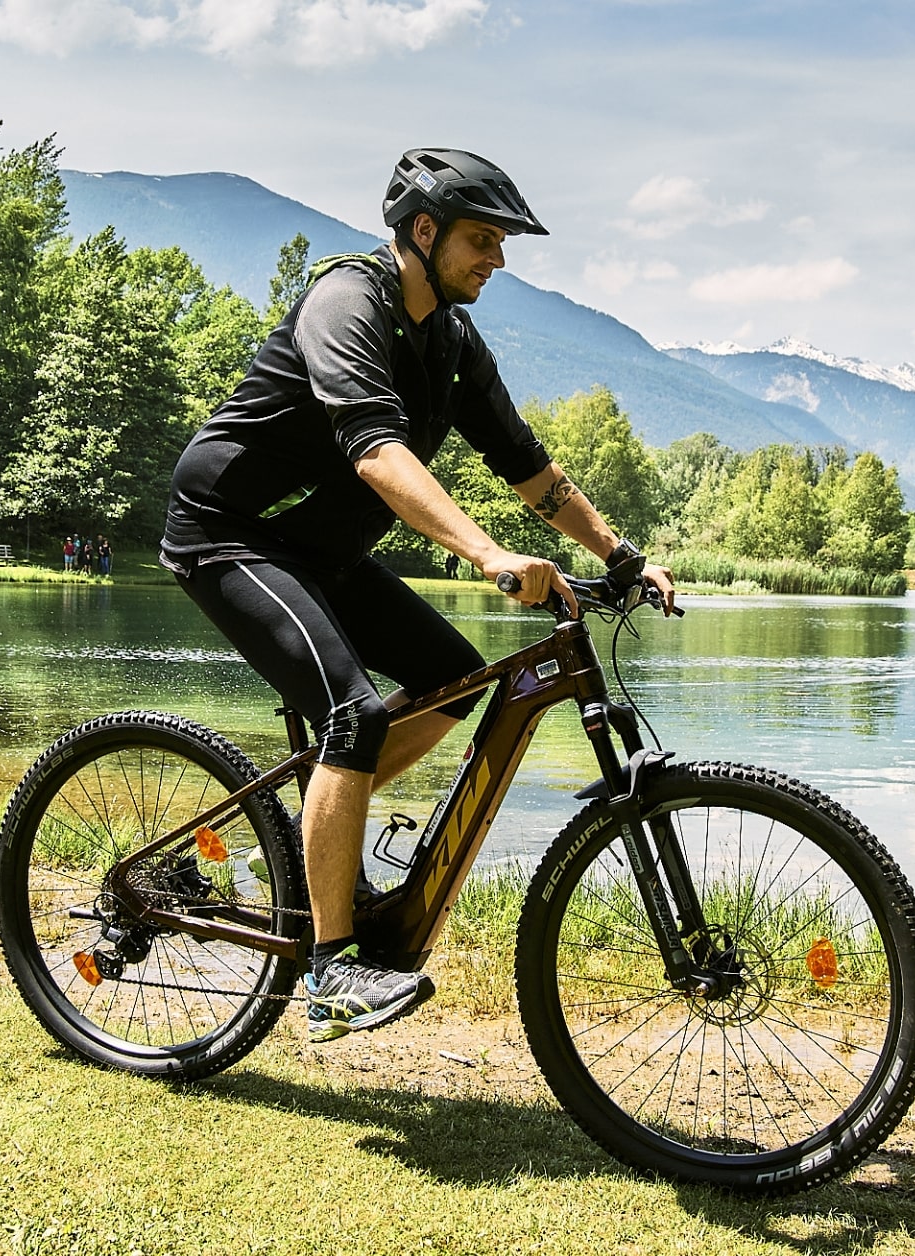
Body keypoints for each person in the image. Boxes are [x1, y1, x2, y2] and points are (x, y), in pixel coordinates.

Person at [159, 148, 674, 1043]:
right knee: (352, 718)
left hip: (322, 552)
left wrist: (620, 556)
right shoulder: (346, 304)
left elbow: (523, 461)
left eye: (502, 241)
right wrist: (485, 554)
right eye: (484, 239)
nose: (499, 260)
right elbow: (375, 450)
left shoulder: (451, 341)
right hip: (231, 532)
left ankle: (289, 838)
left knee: (456, 679)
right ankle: (328, 972)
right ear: (422, 231)